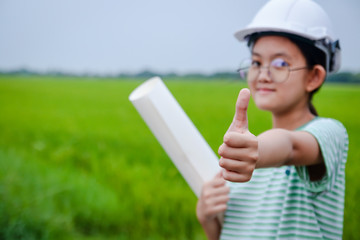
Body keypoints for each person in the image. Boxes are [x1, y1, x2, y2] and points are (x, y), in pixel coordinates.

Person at [196, 0, 348, 239]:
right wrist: (208, 219)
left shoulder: (329, 134)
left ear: (314, 77)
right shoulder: (241, 162)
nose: (263, 75)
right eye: (256, 62)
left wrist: (257, 151)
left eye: (281, 63)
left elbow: (290, 147)